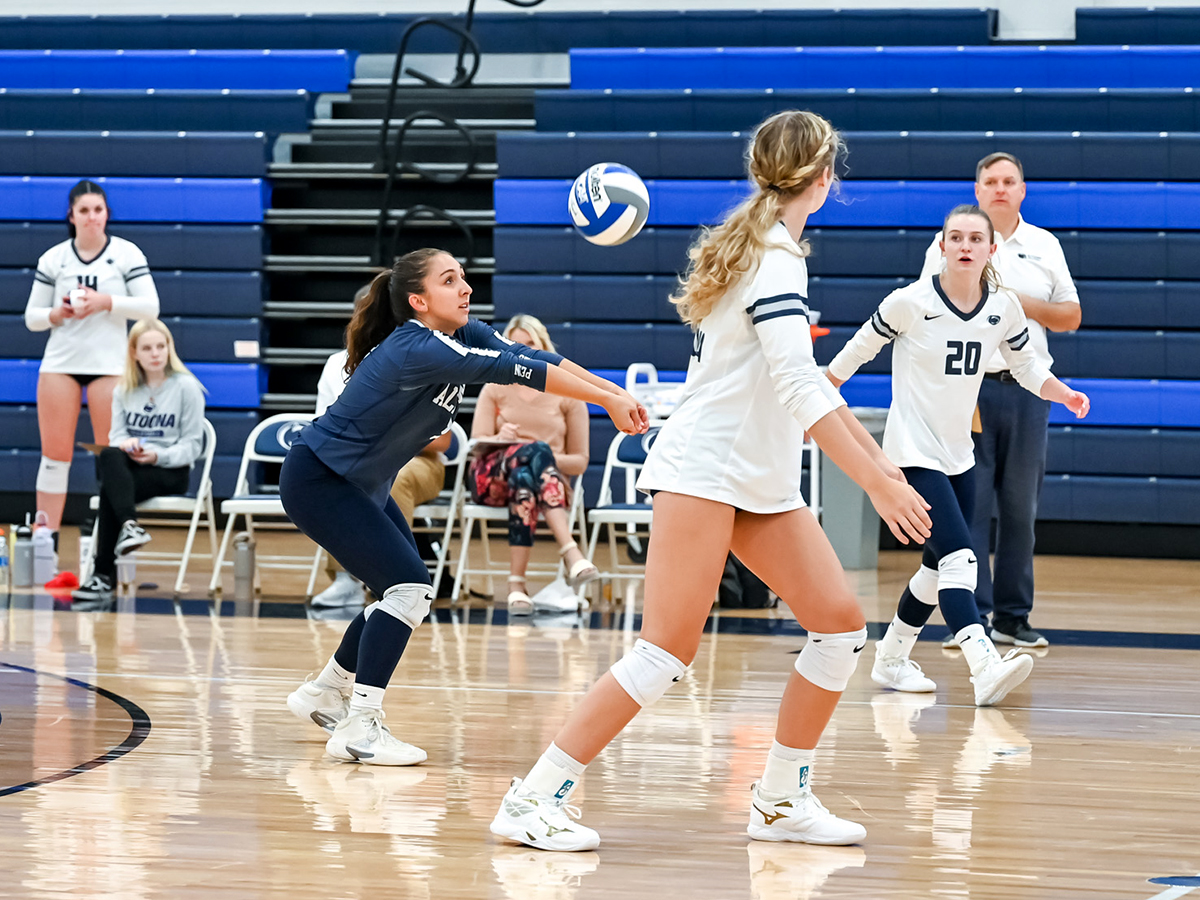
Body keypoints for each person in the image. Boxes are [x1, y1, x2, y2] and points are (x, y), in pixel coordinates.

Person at [489, 110, 933, 852]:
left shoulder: (761, 245)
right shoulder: (775, 259)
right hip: (705, 470)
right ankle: (533, 798)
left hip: (755, 475)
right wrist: (880, 484)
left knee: (838, 627)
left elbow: (812, 386)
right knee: (665, 651)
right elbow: (801, 386)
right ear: (823, 180)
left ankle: (780, 800)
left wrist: (884, 470)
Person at [282, 248, 647, 767]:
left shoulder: (460, 331)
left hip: (355, 483)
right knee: (407, 588)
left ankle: (326, 691)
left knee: (404, 591)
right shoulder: (416, 346)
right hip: (320, 479)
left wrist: (613, 393)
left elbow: (538, 358)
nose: (466, 288)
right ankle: (361, 727)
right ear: (419, 300)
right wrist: (607, 401)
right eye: (450, 280)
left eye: (463, 276)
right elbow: (516, 370)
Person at [827, 205, 1089, 706]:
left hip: (958, 456)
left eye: (975, 238)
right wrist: (823, 388)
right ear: (941, 246)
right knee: (960, 558)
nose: (965, 246)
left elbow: (1027, 367)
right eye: (956, 237)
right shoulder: (910, 302)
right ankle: (983, 663)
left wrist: (1062, 393)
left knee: (934, 569)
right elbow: (858, 350)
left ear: (992, 250)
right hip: (912, 452)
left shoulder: (1005, 307)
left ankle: (891, 658)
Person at [920, 153, 1082, 649]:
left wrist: (1014, 303)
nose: (999, 189)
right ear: (977, 188)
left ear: (1023, 190)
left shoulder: (1044, 245)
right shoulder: (951, 241)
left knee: (1019, 508)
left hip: (1030, 389)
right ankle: (972, 616)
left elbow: (1070, 316)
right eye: (990, 181)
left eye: (1009, 181)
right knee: (971, 505)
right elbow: (930, 303)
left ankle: (1014, 616)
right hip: (969, 387)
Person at [24, 179, 160, 537]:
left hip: (109, 367)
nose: (91, 217)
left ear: (106, 214)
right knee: (54, 458)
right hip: (61, 364)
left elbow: (151, 307)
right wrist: (59, 313)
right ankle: (43, 544)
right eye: (83, 211)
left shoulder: (127, 254)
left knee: (111, 457)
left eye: (97, 210)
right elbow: (31, 317)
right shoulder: (54, 258)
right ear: (71, 216)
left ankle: (108, 542)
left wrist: (105, 302)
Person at [310, 283, 452, 610]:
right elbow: (324, 431)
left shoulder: (426, 357)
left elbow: (443, 439)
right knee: (337, 474)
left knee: (388, 475)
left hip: (419, 461)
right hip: (359, 459)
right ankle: (346, 579)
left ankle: (391, 578)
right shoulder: (336, 364)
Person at [469, 313, 597, 614]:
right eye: (514, 345)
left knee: (526, 478)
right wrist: (502, 438)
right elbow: (476, 446)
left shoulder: (568, 393)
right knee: (533, 452)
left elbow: (579, 462)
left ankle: (516, 585)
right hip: (492, 479)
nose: (521, 352)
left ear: (543, 349)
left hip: (542, 485)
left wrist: (540, 460)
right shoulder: (495, 386)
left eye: (529, 345)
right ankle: (572, 552)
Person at [72, 319, 206, 603]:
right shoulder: (124, 389)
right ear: (134, 352)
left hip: (170, 471)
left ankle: (102, 576)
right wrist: (126, 444)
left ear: (170, 348)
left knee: (110, 488)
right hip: (133, 468)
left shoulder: (187, 387)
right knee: (109, 454)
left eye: (161, 346)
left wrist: (158, 455)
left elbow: (192, 447)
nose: (156, 353)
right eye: (147, 348)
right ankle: (130, 527)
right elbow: (116, 436)